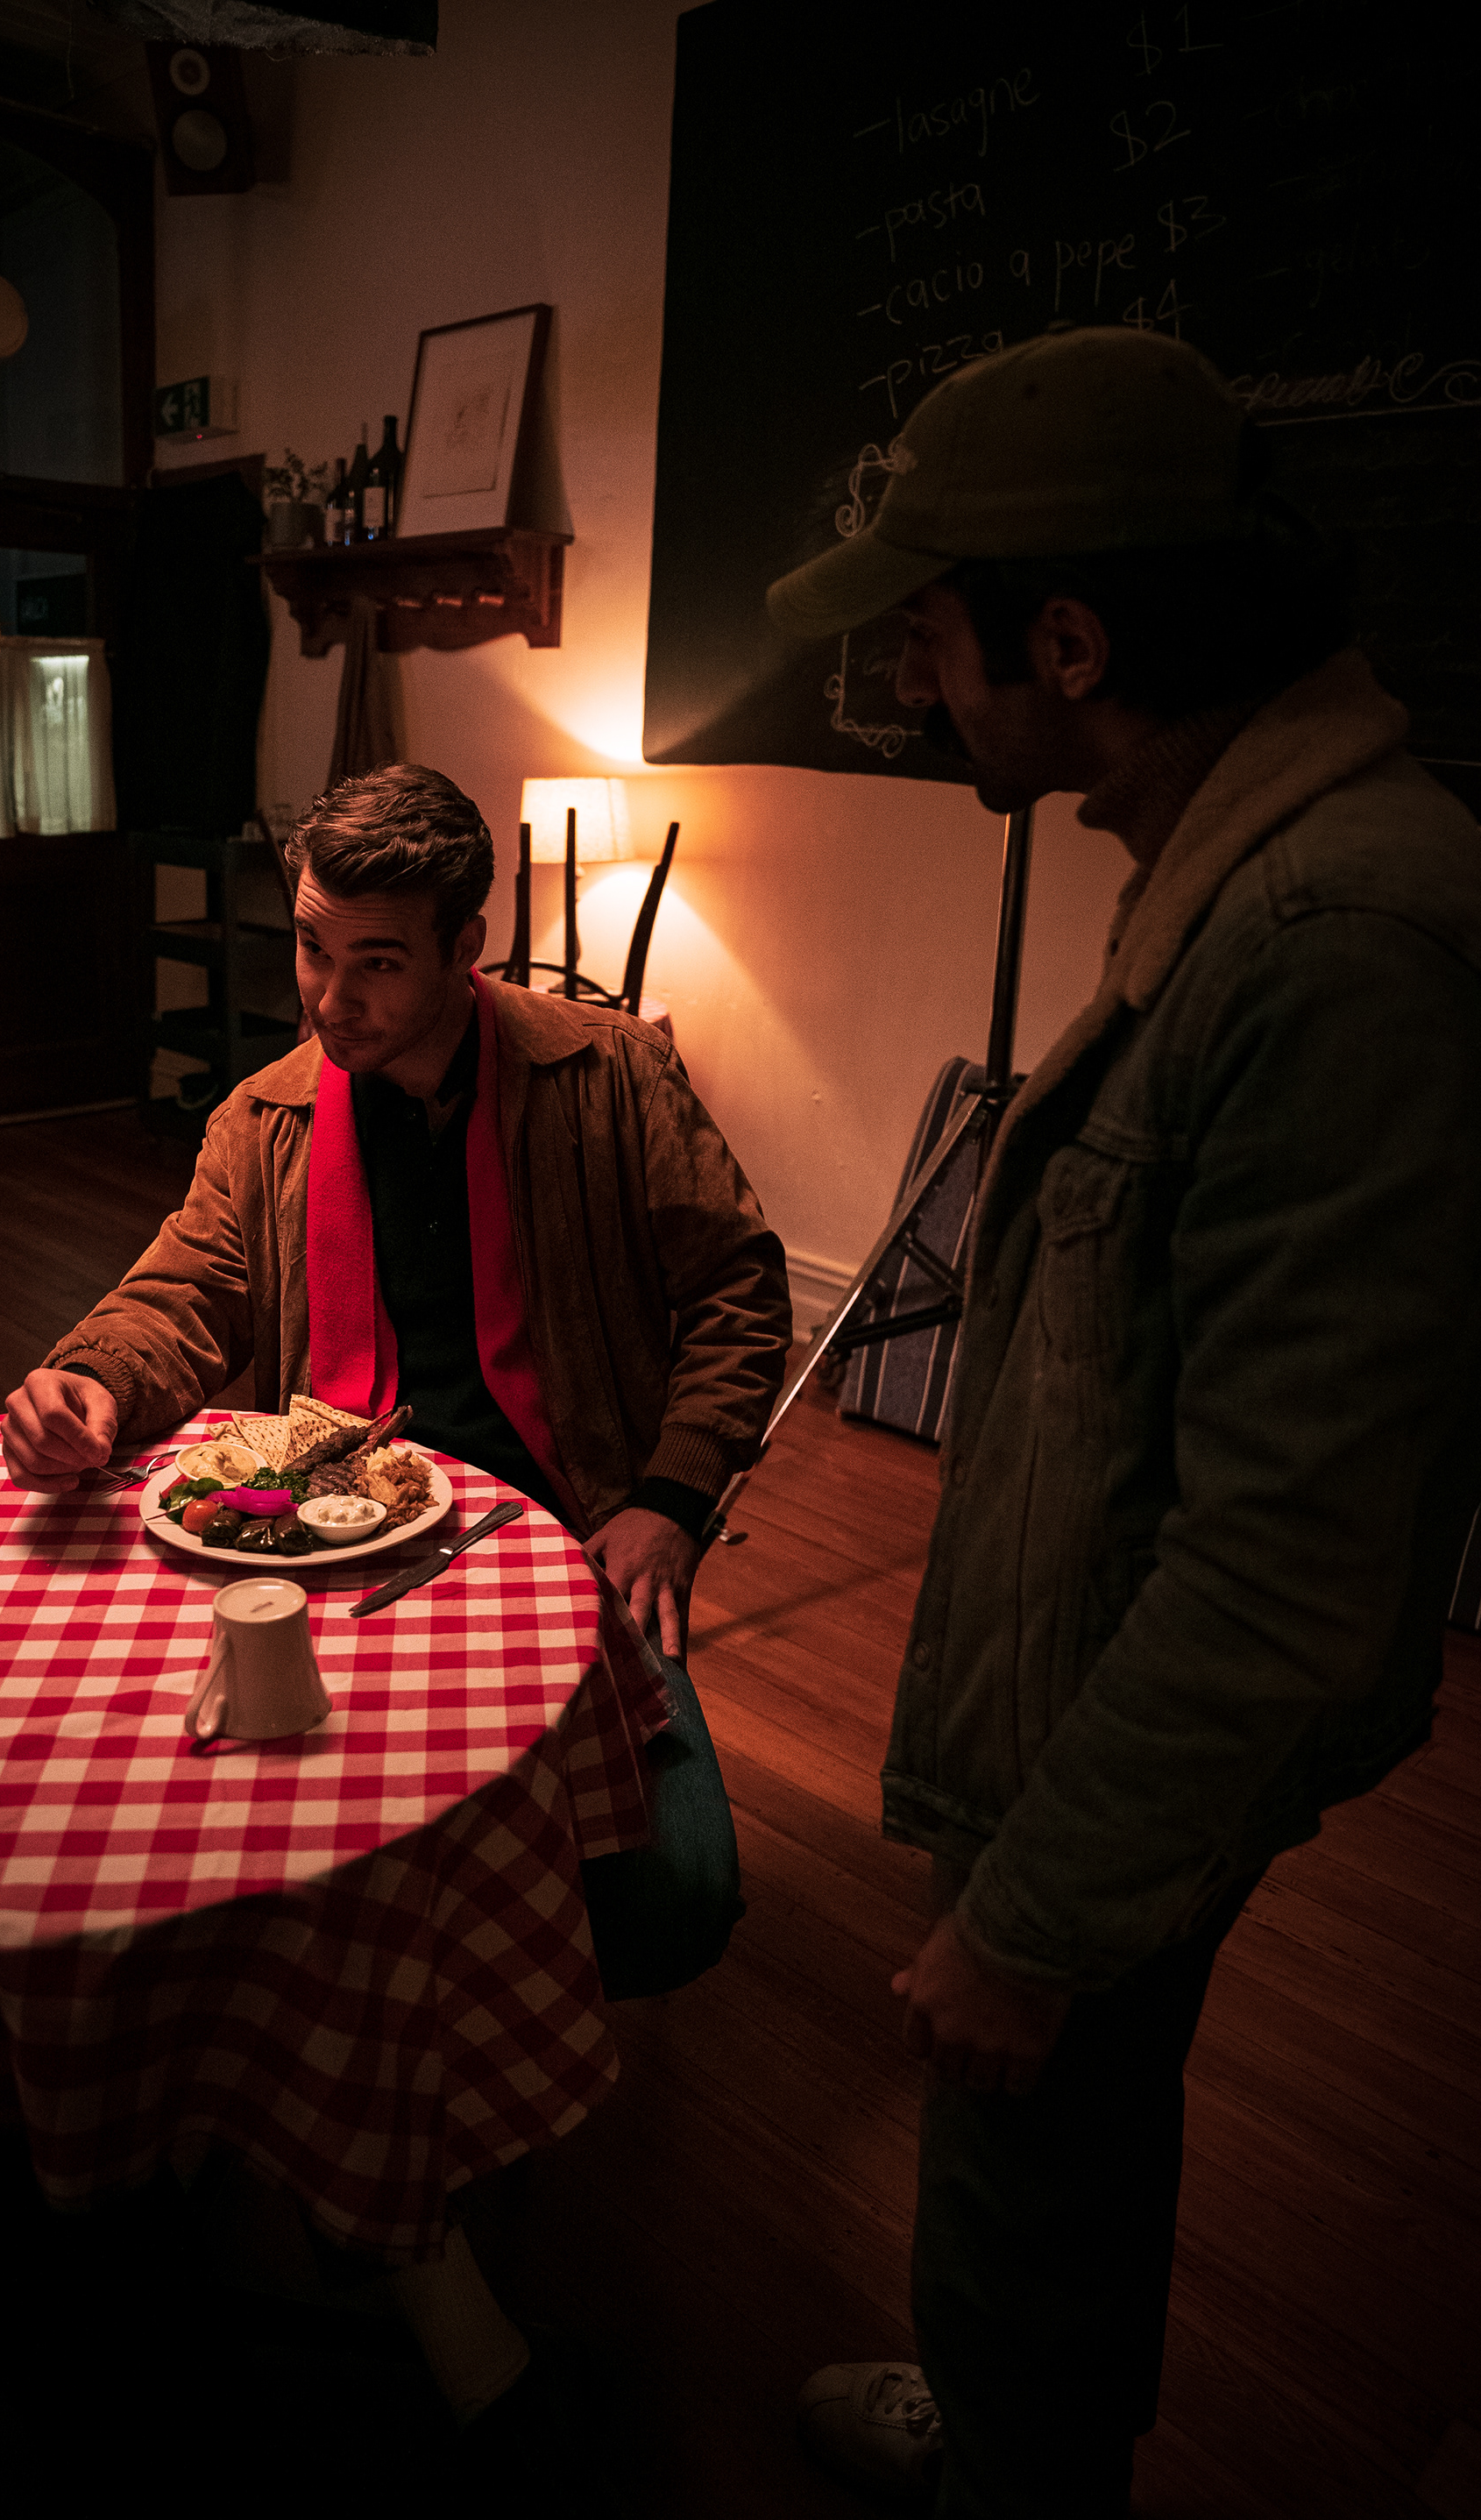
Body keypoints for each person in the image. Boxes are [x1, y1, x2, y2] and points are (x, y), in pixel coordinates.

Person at [765, 327, 1481, 2515]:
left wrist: (1031, 1916)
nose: (907, 679)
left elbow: (1284, 1559)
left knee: (1038, 2118)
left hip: (1117, 1736)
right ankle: (1012, 2412)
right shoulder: (1249, 857)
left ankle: (1022, 2459)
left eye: (930, 632)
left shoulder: (1339, 928)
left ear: (1069, 645)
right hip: (1089, 1680)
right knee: (1056, 2146)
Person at [1, 761, 791, 2436]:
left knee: (677, 1900)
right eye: (311, 948)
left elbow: (736, 1289)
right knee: (254, 1853)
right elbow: (182, 1292)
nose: (330, 998)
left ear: (463, 950)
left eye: (376, 963)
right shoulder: (267, 1113)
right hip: (328, 1539)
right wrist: (88, 1381)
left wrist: (667, 1500)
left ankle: (455, 2106)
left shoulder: (610, 1077)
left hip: (563, 1533)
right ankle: (326, 2132)